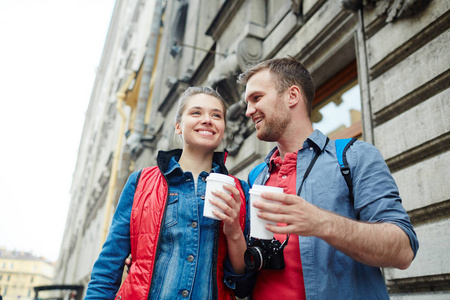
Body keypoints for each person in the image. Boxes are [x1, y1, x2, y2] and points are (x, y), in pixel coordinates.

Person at [236, 56, 419, 299]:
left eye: (256, 98)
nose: (249, 111)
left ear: (292, 96)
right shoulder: (256, 175)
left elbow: (403, 251)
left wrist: (321, 222)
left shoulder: (355, 156)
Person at [85, 87, 250, 300]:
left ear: (223, 129)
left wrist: (234, 230)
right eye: (196, 113)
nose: (208, 120)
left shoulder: (239, 192)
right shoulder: (140, 183)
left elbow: (243, 281)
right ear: (178, 127)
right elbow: (109, 265)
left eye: (216, 115)